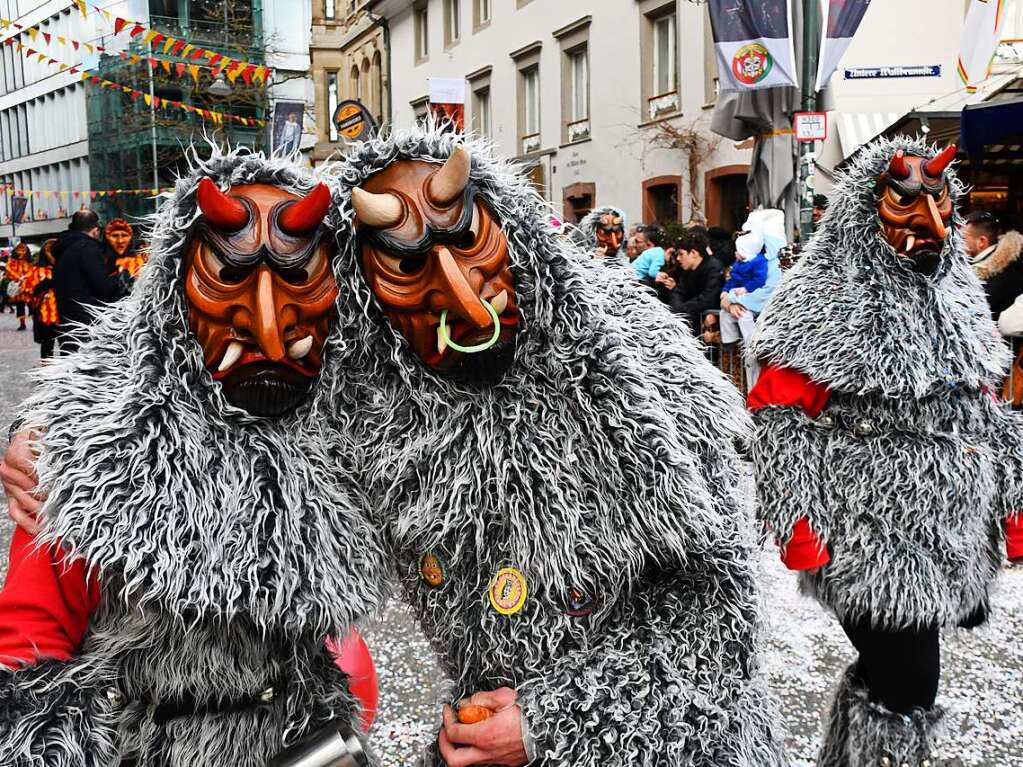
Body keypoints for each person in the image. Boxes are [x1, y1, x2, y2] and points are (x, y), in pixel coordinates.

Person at [338, 133, 790, 766]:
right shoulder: (379, 408)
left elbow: (718, 626)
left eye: (468, 241)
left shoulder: (634, 362)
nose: (464, 298)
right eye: (407, 266)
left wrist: (549, 725)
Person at [0, 151, 388, 766]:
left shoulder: (352, 417)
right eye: (228, 277)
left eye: (299, 278)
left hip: (306, 743)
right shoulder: (93, 439)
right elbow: (29, 640)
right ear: (174, 293)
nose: (268, 325)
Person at [748, 138, 1023, 766]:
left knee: (892, 679)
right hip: (866, 531)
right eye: (904, 203)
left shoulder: (955, 292)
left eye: (939, 200)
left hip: (951, 530)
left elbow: (985, 411)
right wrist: (796, 519)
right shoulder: (823, 292)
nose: (929, 220)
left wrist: (1013, 503)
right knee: (908, 685)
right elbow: (780, 417)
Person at [51, 209, 128, 354]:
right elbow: (102, 287)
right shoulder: (87, 248)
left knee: (70, 369)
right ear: (95, 230)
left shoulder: (63, 249)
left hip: (67, 322)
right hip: (88, 326)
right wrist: (120, 278)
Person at [654, 227, 724, 333]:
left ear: (694, 253)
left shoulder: (714, 268)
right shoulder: (687, 270)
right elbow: (679, 291)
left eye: (681, 254)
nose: (678, 258)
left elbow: (708, 297)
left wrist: (680, 310)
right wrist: (677, 309)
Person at [962, 211, 1023, 323]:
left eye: (962, 239)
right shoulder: (1003, 266)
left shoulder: (1000, 278)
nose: (956, 243)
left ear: (981, 241)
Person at [20, 238, 59, 359]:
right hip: (45, 315)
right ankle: (47, 372)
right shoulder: (35, 270)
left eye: (54, 249)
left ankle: (67, 373)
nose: (50, 252)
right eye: (47, 250)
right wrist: (41, 287)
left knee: (68, 345)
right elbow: (27, 291)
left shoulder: (68, 268)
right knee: (47, 346)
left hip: (65, 313)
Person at [4, 241, 32, 331]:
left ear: (26, 250)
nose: (21, 251)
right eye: (19, 249)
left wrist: (25, 277)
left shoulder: (30, 261)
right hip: (18, 287)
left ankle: (35, 323)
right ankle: (22, 324)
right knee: (20, 306)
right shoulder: (12, 261)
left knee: (32, 306)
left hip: (28, 286)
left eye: (23, 249)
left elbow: (33, 271)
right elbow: (8, 270)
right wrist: (18, 277)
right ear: (15, 250)